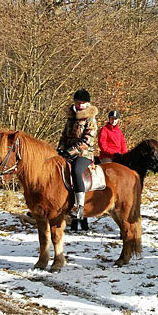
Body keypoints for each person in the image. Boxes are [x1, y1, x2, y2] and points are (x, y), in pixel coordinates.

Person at [57, 88, 98, 222]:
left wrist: (71, 151)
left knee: (76, 170)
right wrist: (60, 149)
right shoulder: (70, 118)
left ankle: (80, 207)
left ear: (87, 104)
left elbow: (87, 140)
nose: (80, 105)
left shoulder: (90, 119)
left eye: (82, 103)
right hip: (67, 152)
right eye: (77, 102)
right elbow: (64, 136)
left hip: (84, 154)